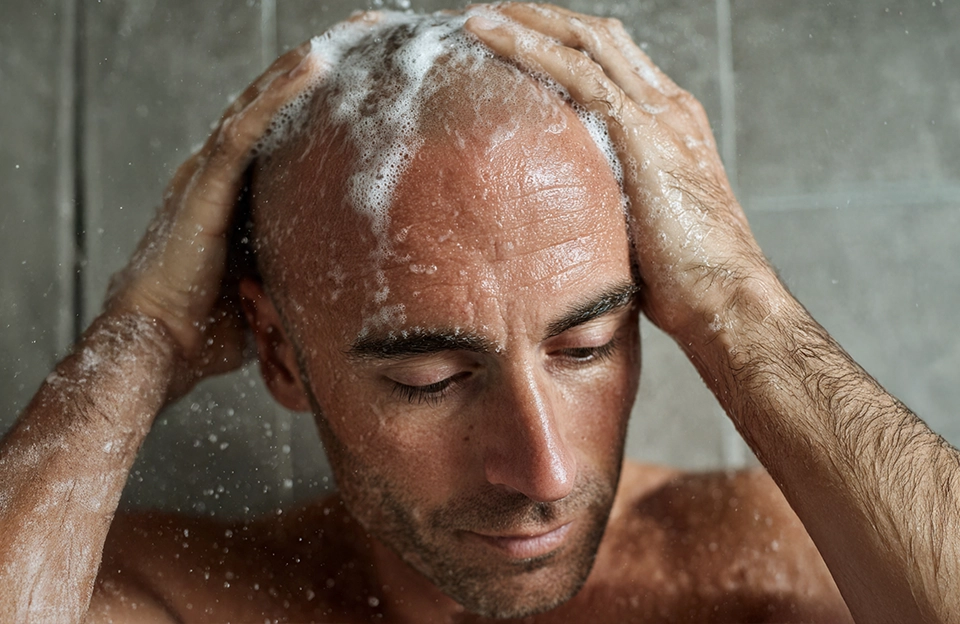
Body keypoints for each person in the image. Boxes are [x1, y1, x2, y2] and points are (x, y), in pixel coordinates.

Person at [0, 4, 956, 622]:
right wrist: (143, 337)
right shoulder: (192, 598)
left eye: (586, 346)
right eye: (432, 380)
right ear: (281, 357)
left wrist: (739, 302)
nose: (545, 469)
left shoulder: (770, 562)